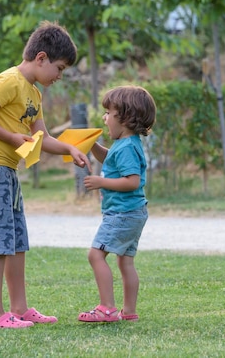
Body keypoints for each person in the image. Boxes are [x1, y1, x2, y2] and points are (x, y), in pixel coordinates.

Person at [0, 21, 92, 329]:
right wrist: (10, 138)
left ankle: (19, 308)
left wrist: (68, 150)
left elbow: (41, 137)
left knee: (16, 239)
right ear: (41, 58)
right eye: (59, 69)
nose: (59, 77)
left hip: (6, 171)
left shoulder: (34, 94)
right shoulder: (10, 81)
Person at [78, 85, 156, 323]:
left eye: (108, 113)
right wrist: (92, 145)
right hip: (133, 212)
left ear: (125, 118)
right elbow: (108, 157)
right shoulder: (126, 145)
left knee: (95, 255)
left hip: (122, 213)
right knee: (125, 260)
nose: (104, 117)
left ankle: (107, 308)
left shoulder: (127, 148)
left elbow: (132, 182)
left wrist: (102, 181)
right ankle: (129, 311)